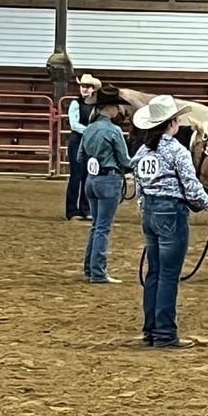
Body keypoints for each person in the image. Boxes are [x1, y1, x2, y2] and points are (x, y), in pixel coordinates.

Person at [131, 94, 208, 349]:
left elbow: (138, 185)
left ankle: (151, 330)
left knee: (154, 273)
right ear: (171, 123)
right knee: (169, 276)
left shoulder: (143, 151)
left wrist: (144, 208)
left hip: (149, 212)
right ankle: (165, 334)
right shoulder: (177, 151)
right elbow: (192, 189)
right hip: (171, 213)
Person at [78, 85, 133, 284]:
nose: (120, 110)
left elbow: (80, 156)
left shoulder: (89, 129)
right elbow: (126, 161)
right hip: (109, 180)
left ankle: (89, 269)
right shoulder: (113, 130)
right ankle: (99, 272)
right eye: (117, 106)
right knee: (103, 228)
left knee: (96, 226)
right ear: (109, 107)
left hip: (91, 180)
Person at [65, 74, 100, 221]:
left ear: (93, 89)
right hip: (77, 141)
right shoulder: (75, 104)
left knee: (88, 176)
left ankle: (85, 209)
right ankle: (72, 210)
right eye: (83, 86)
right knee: (76, 176)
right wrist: (91, 131)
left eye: (88, 86)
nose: (85, 89)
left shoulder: (96, 106)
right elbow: (74, 124)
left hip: (89, 143)